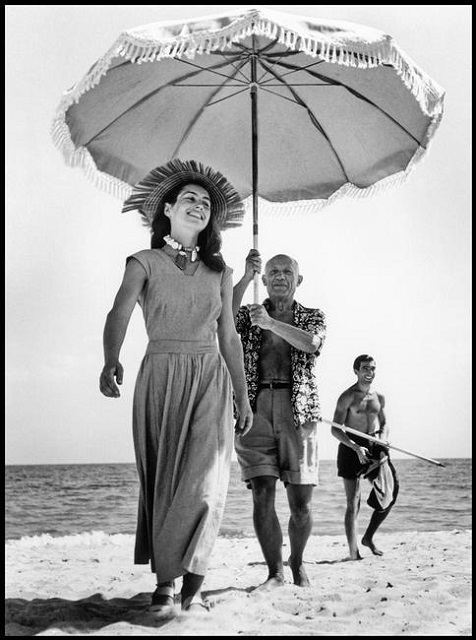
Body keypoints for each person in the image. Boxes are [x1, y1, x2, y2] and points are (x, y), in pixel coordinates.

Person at [99, 159, 253, 614]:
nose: (199, 206)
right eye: (189, 198)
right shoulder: (143, 262)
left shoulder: (221, 273)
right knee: (166, 482)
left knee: (206, 483)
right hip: (161, 374)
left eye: (206, 203)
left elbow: (228, 337)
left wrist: (242, 396)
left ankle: (196, 578)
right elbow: (119, 313)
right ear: (166, 209)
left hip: (210, 377)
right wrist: (111, 359)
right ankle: (166, 581)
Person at [232, 249, 327, 589]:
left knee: (301, 503)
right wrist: (244, 277)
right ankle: (274, 572)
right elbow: (222, 319)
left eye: (287, 271)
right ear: (265, 278)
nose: (279, 276)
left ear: (298, 280)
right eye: (272, 271)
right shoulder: (250, 314)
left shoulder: (312, 315)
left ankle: (297, 561)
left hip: (298, 410)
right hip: (254, 408)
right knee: (261, 494)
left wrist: (271, 323)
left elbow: (311, 345)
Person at [331, 354, 399, 560]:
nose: (370, 373)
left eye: (372, 369)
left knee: (390, 494)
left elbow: (384, 423)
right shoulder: (347, 397)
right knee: (354, 503)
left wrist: (384, 438)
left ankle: (368, 537)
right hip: (350, 447)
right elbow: (335, 430)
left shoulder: (379, 397)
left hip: (373, 444)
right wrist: (354, 447)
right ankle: (354, 552)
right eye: (365, 369)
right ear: (356, 371)